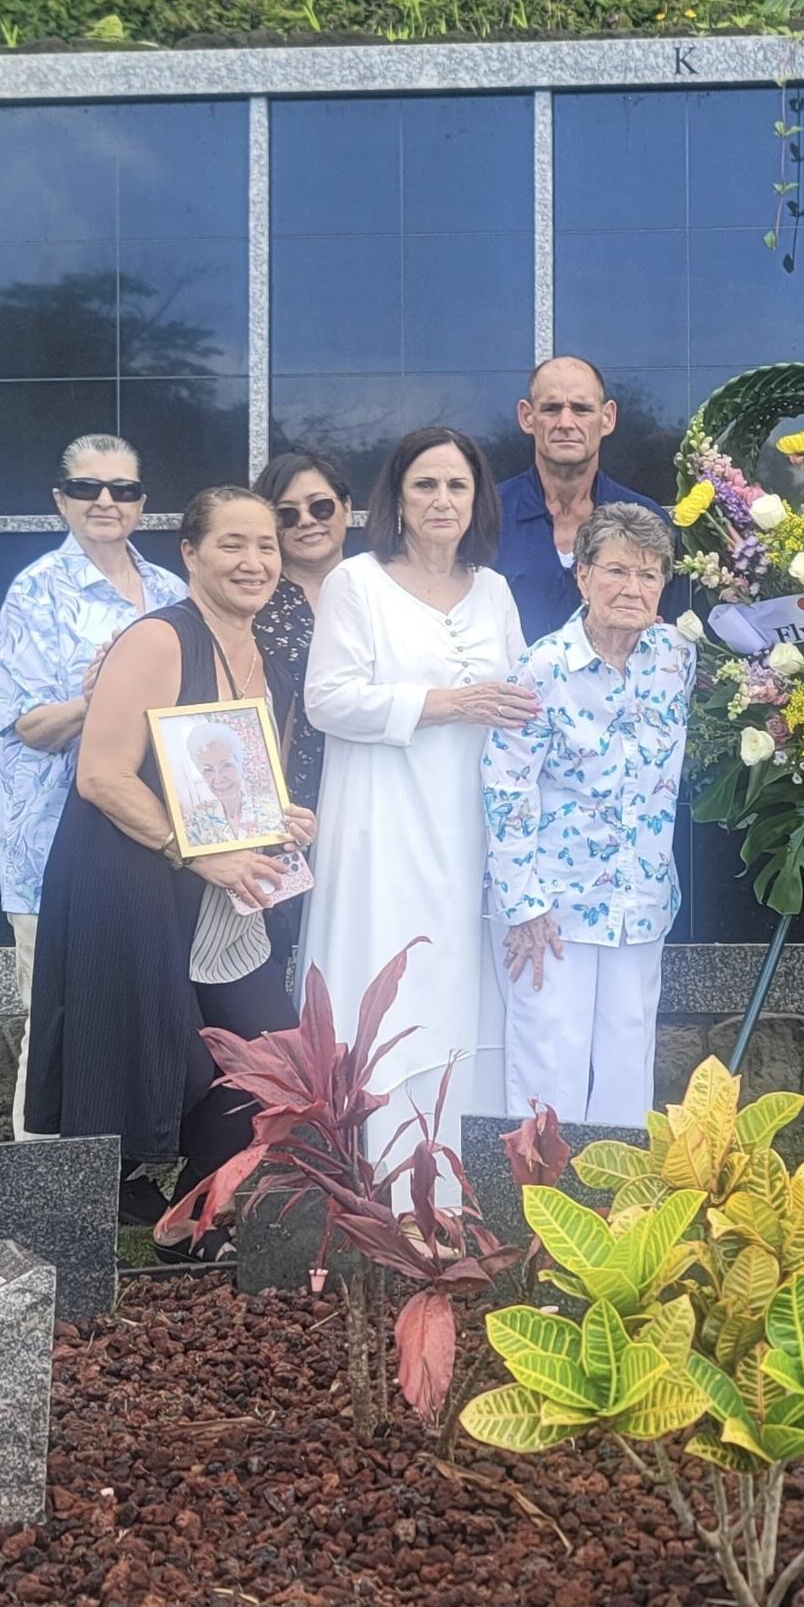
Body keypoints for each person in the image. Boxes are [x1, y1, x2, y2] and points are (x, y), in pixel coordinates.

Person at [22, 487, 315, 1259]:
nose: (254, 562)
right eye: (232, 545)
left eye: (267, 547)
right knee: (139, 1054)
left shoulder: (276, 665)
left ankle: (185, 1225)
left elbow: (249, 788)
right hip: (126, 881)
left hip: (216, 900)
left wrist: (280, 820)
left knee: (272, 1056)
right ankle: (85, 1233)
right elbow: (102, 777)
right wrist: (200, 852)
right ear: (189, 553)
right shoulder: (157, 640)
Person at [300, 426, 537, 1165]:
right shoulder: (356, 582)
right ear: (395, 499)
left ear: (478, 501)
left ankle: (460, 1179)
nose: (442, 499)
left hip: (470, 825)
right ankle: (377, 1174)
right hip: (383, 825)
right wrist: (447, 702)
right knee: (390, 980)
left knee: (462, 986)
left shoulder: (494, 591)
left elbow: (522, 702)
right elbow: (327, 701)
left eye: (457, 485)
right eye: (425, 485)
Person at [0, 432, 186, 1139]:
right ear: (60, 501)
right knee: (56, 1026)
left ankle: (123, 1179)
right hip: (52, 847)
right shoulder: (34, 591)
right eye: (87, 488)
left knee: (138, 1018)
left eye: (123, 489)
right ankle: (40, 1190)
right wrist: (104, 698)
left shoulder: (172, 592)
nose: (106, 501)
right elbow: (29, 726)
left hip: (148, 840)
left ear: (142, 503)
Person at [483, 503, 694, 1125]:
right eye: (618, 571)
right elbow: (506, 784)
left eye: (651, 575)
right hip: (555, 906)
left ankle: (623, 1212)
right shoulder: (540, 668)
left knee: (630, 1061)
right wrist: (523, 906)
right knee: (551, 1063)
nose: (634, 588)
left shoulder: (675, 659)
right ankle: (539, 1212)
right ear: (583, 576)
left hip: (642, 901)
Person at [493, 354, 656, 643]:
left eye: (581, 409)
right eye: (551, 408)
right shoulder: (486, 515)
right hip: (508, 687)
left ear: (607, 418)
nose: (565, 422)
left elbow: (669, 634)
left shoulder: (647, 521)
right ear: (527, 417)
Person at [251, 447, 354, 813]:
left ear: (346, 507)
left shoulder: (383, 590)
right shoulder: (252, 603)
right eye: (287, 515)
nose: (307, 521)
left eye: (320, 507)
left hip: (368, 783)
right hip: (281, 797)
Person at [182, 720, 283, 844]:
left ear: (240, 764)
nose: (218, 779)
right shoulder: (199, 817)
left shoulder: (271, 809)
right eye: (208, 770)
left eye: (226, 765)